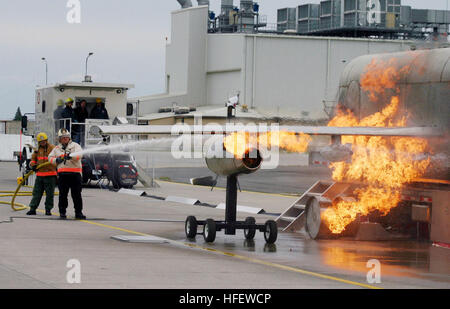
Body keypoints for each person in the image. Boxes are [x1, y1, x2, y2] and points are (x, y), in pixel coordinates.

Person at [49, 128, 86, 220]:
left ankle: (78, 213)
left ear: (69, 138)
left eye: (66, 137)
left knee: (76, 195)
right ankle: (62, 213)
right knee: (62, 195)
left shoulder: (75, 146)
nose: (65, 139)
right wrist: (56, 160)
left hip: (75, 174)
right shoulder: (56, 148)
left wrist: (71, 157)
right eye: (62, 137)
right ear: (59, 139)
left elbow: (80, 155)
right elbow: (50, 158)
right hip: (63, 175)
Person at [26, 133, 57, 216]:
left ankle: (48, 210)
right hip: (40, 176)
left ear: (46, 141)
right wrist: (33, 165)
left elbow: (57, 159)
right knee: (36, 193)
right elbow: (33, 159)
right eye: (41, 142)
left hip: (50, 176)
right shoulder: (37, 150)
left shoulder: (53, 148)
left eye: (44, 141)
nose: (42, 143)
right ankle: (32, 209)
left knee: (50, 194)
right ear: (39, 142)